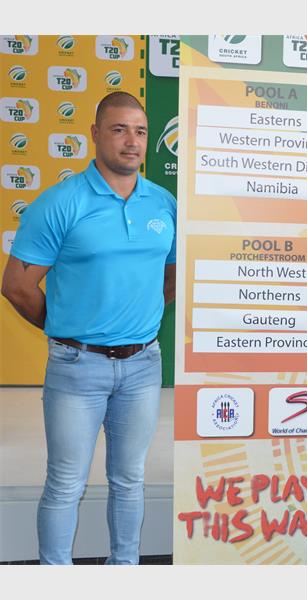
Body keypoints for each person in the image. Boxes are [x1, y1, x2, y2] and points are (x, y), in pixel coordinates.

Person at [1, 91, 177, 565]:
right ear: (96, 134)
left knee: (130, 480)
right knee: (65, 483)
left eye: (140, 132)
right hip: (76, 367)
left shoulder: (163, 203)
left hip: (143, 366)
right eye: (119, 130)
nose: (131, 141)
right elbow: (17, 285)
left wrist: (137, 320)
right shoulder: (61, 203)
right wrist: (67, 327)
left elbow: (171, 276)